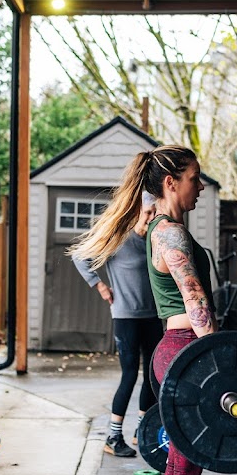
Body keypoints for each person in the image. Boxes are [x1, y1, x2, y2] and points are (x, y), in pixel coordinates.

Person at [69, 145, 230, 475]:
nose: (200, 185)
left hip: (175, 350)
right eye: (195, 177)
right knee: (188, 462)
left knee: (182, 461)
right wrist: (216, 361)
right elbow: (195, 301)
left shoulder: (159, 225)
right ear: (171, 182)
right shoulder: (171, 235)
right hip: (186, 349)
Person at [72, 192, 164, 458]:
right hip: (125, 317)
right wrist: (98, 285)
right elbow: (80, 255)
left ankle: (141, 432)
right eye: (147, 213)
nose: (151, 218)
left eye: (154, 213)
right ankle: (113, 436)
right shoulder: (118, 240)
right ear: (137, 212)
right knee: (129, 375)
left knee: (152, 375)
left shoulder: (153, 241)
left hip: (152, 316)